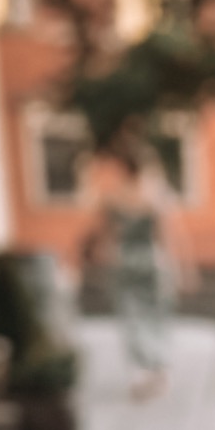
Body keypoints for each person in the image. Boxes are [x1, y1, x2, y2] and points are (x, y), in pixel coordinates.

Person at [89, 148, 177, 398]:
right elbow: (166, 236)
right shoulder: (156, 195)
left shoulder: (113, 197)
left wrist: (98, 258)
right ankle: (159, 365)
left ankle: (141, 369)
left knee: (130, 316)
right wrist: (176, 268)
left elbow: (104, 235)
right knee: (155, 315)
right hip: (151, 261)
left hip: (123, 261)